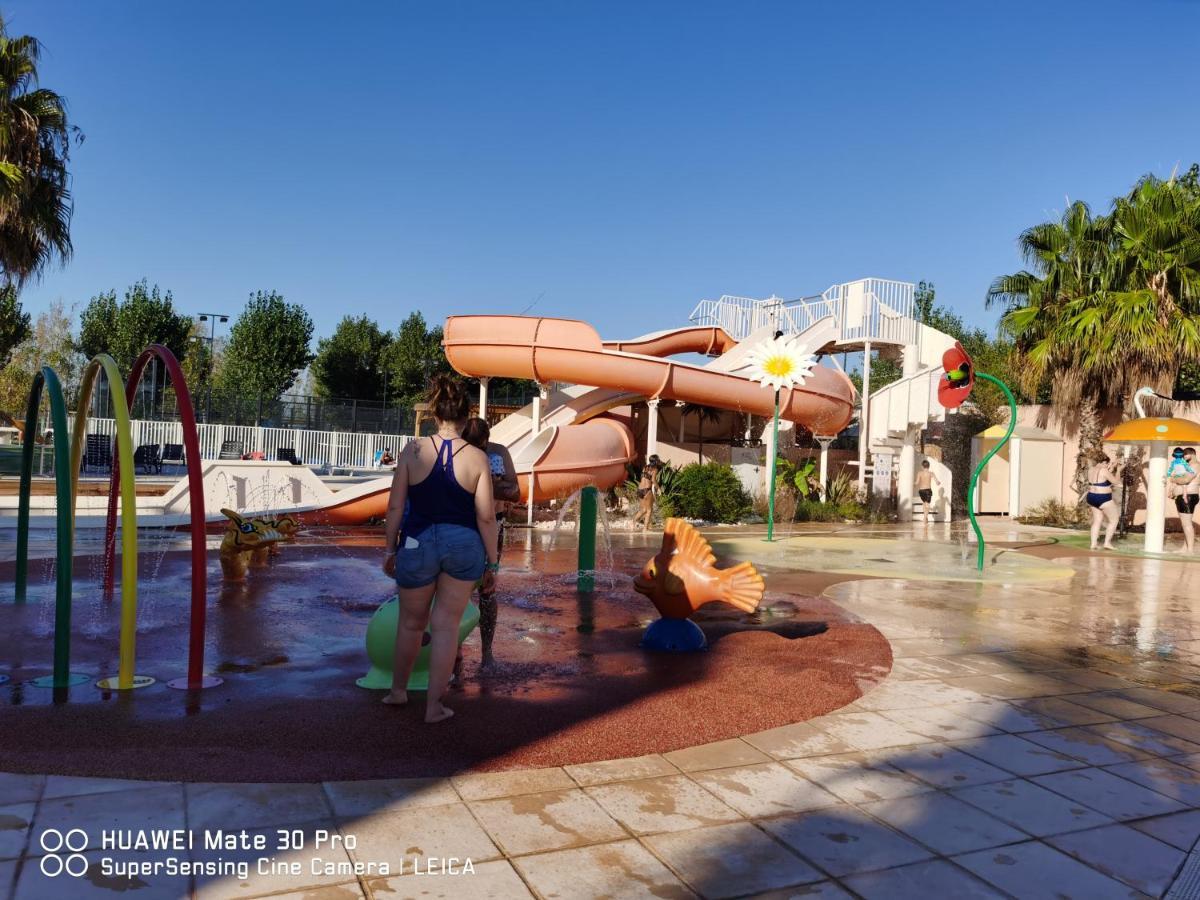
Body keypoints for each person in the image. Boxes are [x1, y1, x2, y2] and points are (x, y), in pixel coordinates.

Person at [382, 376, 498, 723]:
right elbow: (487, 517)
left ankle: (398, 692)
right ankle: (434, 707)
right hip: (464, 545)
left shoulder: (413, 450)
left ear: (434, 413)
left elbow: (394, 507)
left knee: (410, 623)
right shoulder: (478, 458)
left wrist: (390, 549)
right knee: (446, 625)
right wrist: (492, 564)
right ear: (466, 416)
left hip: (417, 542)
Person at [462, 417, 520, 669]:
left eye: (480, 445)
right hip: (462, 525)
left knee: (487, 590)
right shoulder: (459, 452)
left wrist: (485, 485)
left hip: (493, 524)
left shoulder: (498, 452)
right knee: (457, 593)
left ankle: (486, 654)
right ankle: (455, 658)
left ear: (487, 440)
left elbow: (515, 491)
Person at [1085, 449, 1121, 551]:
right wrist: (1118, 470)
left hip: (1091, 497)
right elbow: (1116, 482)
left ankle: (1093, 544)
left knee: (1097, 521)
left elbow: (1102, 479)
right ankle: (1107, 543)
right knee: (1114, 520)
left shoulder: (1091, 469)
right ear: (1101, 462)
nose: (1107, 465)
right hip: (1103, 498)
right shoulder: (1104, 470)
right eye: (1106, 463)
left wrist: (1112, 467)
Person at [1168, 446, 1199, 554]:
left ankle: (1190, 550)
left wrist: (1173, 479)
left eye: (1184, 455)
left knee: (1187, 524)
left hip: (1189, 497)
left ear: (1191, 454)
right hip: (1182, 497)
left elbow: (1186, 479)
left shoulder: (1195, 465)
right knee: (1185, 523)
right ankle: (1185, 548)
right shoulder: (1188, 465)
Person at [632, 455, 661, 531]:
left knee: (643, 510)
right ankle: (645, 529)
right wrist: (659, 489)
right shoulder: (655, 469)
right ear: (655, 461)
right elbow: (653, 480)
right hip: (647, 490)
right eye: (657, 460)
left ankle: (633, 523)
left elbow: (644, 478)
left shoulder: (645, 467)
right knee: (649, 510)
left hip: (640, 489)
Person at [914, 460, 940, 524]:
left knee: (924, 503)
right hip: (928, 490)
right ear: (929, 466)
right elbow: (937, 482)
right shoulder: (931, 473)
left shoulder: (919, 473)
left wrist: (913, 484)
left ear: (922, 466)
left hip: (921, 491)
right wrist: (938, 482)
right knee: (927, 504)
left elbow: (916, 483)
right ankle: (925, 518)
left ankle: (925, 517)